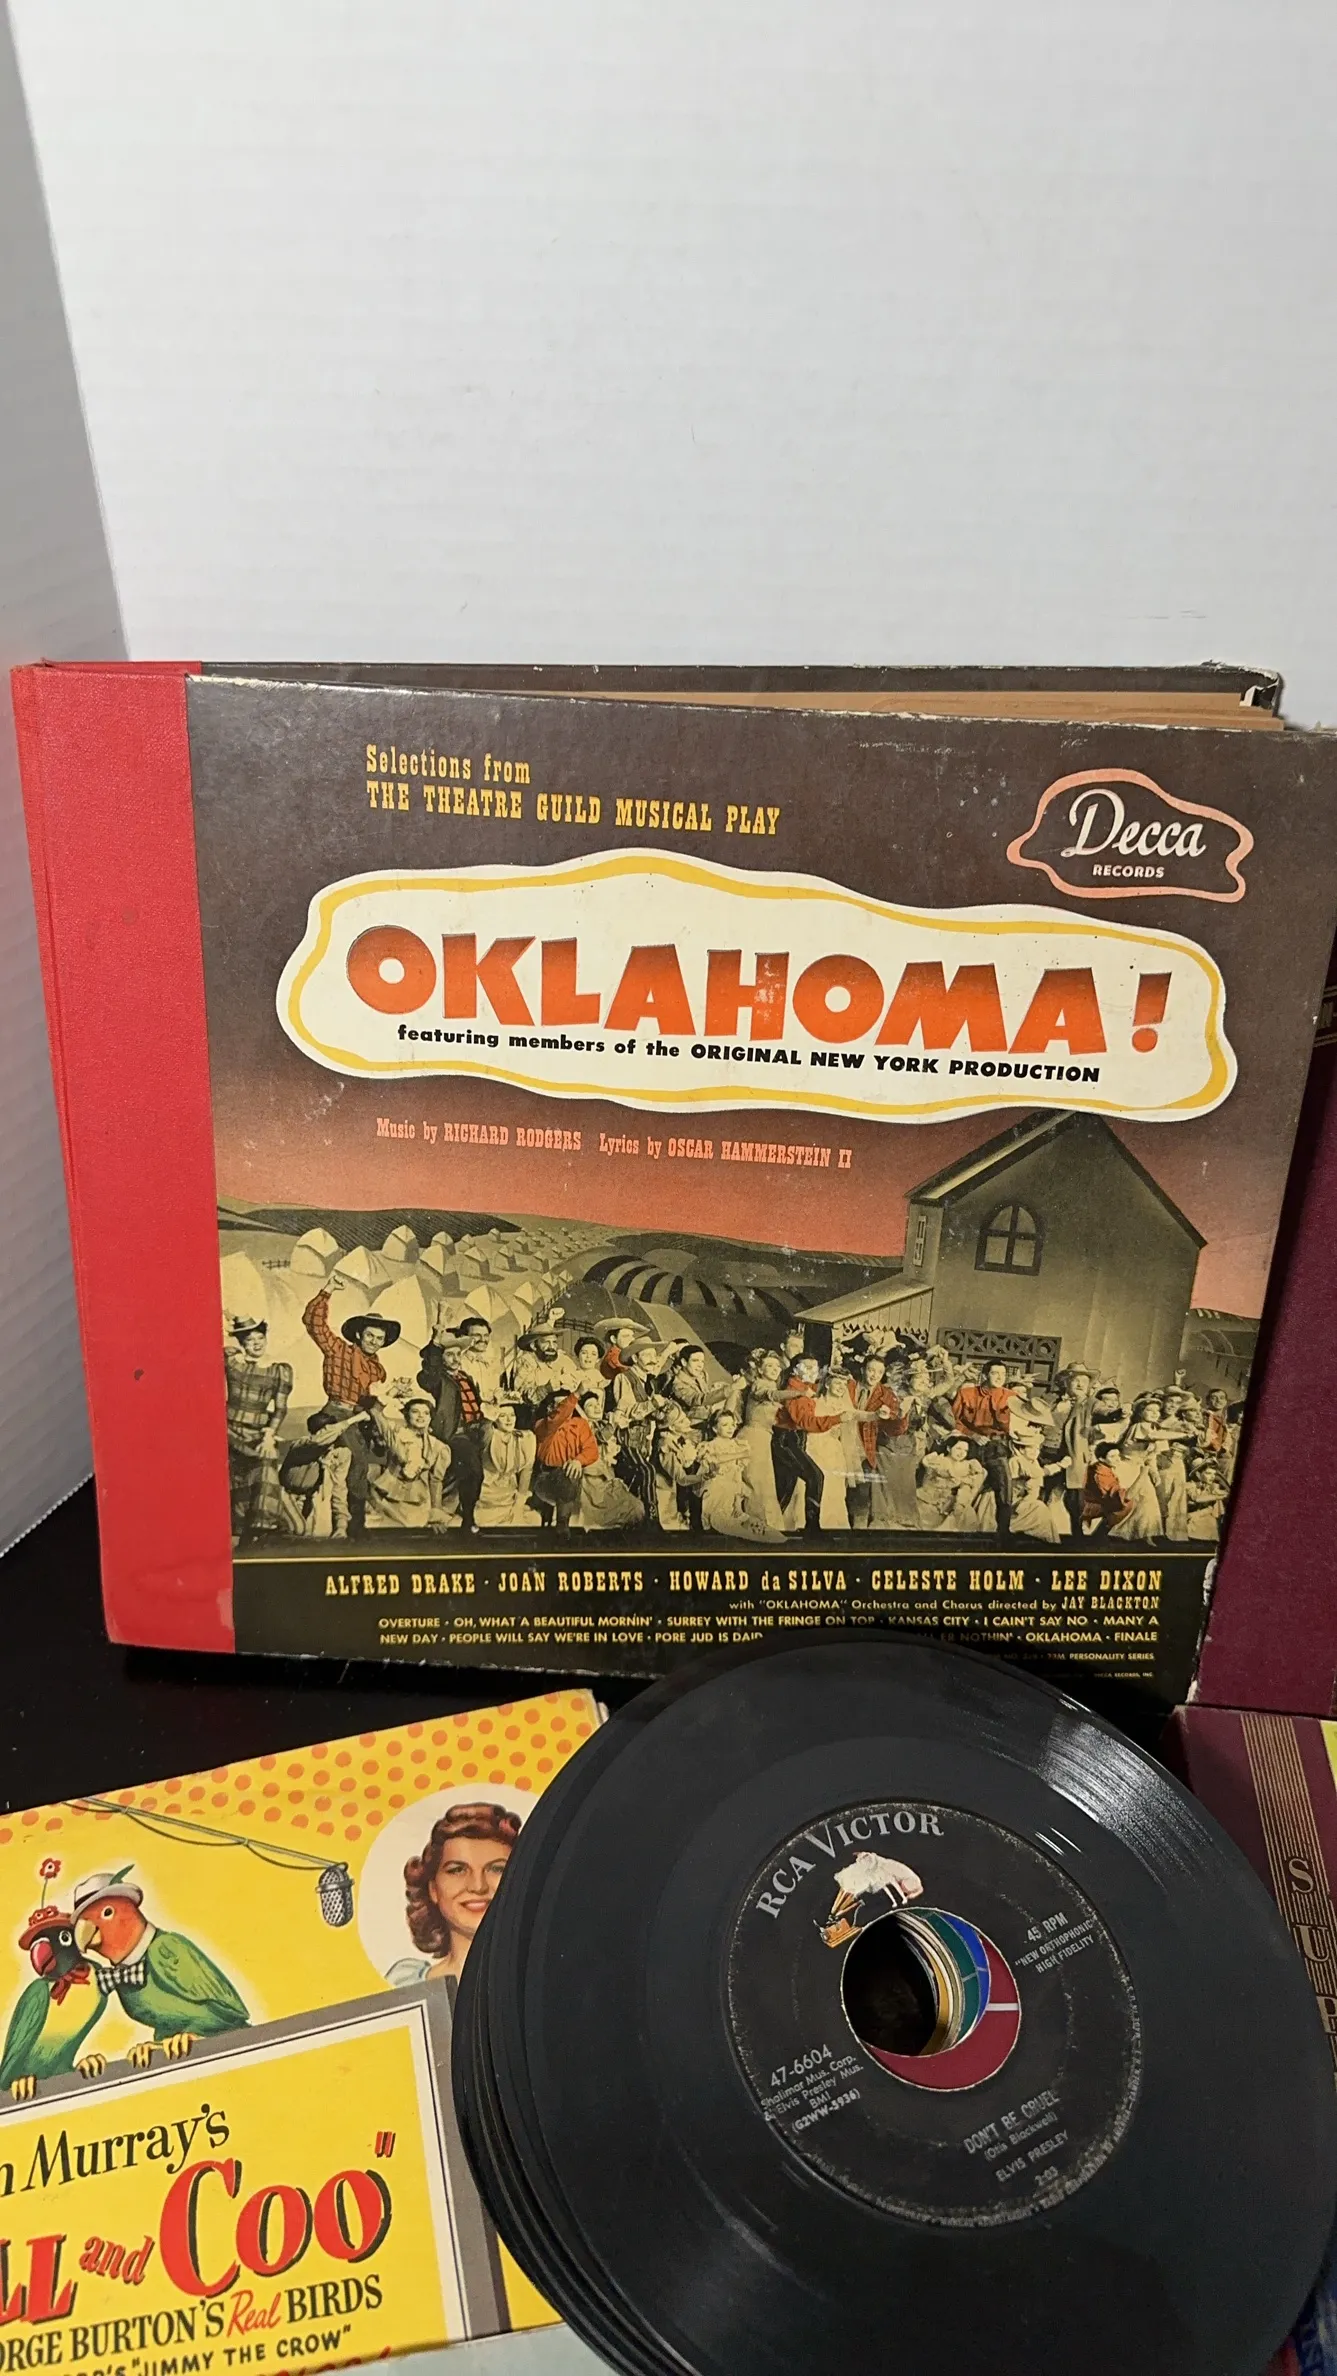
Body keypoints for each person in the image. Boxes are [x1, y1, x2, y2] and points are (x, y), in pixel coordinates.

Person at [389, 1803, 521, 1986]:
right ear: (433, 1889)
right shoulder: (403, 1981)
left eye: (497, 1869)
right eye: (457, 1870)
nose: (478, 1886)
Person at [224, 1318, 293, 1543]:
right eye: (250, 1340)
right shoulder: (232, 1362)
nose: (256, 1344)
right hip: (227, 1431)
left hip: (258, 1435)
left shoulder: (278, 1370)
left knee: (265, 1464)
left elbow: (280, 1409)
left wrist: (269, 1436)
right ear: (242, 1343)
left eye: (260, 1338)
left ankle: (261, 1526)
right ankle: (236, 1527)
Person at [417, 1338, 487, 1531]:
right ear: (440, 1359)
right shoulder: (438, 1379)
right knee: (474, 1471)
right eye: (449, 1355)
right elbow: (428, 1374)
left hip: (475, 1432)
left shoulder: (466, 1377)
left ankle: (467, 1511)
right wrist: (435, 1343)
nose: (456, 1359)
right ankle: (468, 1517)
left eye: (458, 1354)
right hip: (455, 1434)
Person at [772, 1355, 842, 1535]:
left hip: (794, 1439)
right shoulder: (794, 1391)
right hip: (786, 1440)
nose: (813, 1371)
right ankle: (811, 1528)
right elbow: (806, 1422)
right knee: (814, 1477)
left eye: (815, 1367)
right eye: (808, 1367)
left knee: (786, 1486)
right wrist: (837, 1419)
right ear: (796, 1369)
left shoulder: (805, 1388)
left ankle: (777, 1526)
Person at [952, 1360, 1020, 1538]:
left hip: (997, 1447)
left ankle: (1003, 1532)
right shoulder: (966, 1393)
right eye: (995, 1373)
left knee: (1004, 1487)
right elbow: (954, 1420)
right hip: (971, 1445)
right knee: (963, 1485)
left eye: (1003, 1374)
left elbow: (1022, 1422)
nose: (999, 1377)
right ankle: (955, 1529)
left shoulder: (1012, 1397)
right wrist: (972, 1435)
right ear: (984, 1375)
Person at [365, 1396, 454, 1530]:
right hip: (387, 1499)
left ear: (430, 1418)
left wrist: (436, 1514)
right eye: (415, 1412)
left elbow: (436, 1482)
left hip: (419, 1502)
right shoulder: (396, 1436)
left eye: (426, 1413)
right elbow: (376, 1413)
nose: (421, 1416)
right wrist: (392, 1392)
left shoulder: (438, 1447)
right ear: (407, 1415)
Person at [847, 1354, 915, 1529]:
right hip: (839, 1444)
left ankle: (858, 1533)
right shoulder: (849, 1386)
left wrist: (901, 1415)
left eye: (879, 1372)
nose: (874, 1375)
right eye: (871, 1370)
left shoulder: (886, 1395)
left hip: (863, 1449)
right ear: (863, 1369)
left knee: (861, 1494)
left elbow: (894, 1430)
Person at [694, 1409, 783, 1541]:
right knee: (719, 1522)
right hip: (716, 1491)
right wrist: (740, 1454)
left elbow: (737, 1476)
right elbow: (715, 1461)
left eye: (732, 1424)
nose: (730, 1428)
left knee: (741, 1522)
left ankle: (762, 1536)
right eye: (725, 1425)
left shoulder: (737, 1445)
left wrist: (737, 1502)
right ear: (714, 1428)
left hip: (731, 1491)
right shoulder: (709, 1447)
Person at [302, 1288, 400, 1405]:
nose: (374, 1342)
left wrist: (397, 1390)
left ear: (383, 1342)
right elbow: (314, 1323)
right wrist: (329, 1289)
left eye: (379, 1338)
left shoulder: (378, 1370)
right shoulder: (339, 1350)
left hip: (362, 1414)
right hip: (336, 1412)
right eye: (369, 1335)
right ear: (358, 1335)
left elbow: (376, 1401)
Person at [731, 1347, 790, 1533]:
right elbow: (769, 1395)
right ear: (760, 1369)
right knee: (756, 1485)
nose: (774, 1369)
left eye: (777, 1366)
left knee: (764, 1486)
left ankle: (764, 1527)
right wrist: (798, 1393)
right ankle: (756, 1528)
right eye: (769, 1366)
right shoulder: (759, 1385)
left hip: (763, 1440)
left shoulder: (772, 1386)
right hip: (752, 1438)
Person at [531, 1387, 600, 1529]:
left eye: (568, 1403)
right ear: (550, 1408)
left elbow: (592, 1450)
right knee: (569, 1477)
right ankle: (562, 1529)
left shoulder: (580, 1424)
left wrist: (579, 1460)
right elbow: (557, 1417)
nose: (567, 1408)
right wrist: (576, 1394)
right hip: (547, 1478)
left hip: (577, 1478)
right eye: (561, 1404)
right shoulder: (543, 1425)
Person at [574, 1392, 644, 1529]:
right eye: (590, 1406)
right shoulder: (583, 1427)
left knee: (636, 1507)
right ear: (583, 1411)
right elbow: (598, 1438)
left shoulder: (601, 1424)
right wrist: (612, 1425)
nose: (597, 1407)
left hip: (607, 1476)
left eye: (597, 1404)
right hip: (592, 1480)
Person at [1048, 1363, 1097, 1541]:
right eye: (1076, 1380)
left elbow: (1104, 1411)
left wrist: (1120, 1413)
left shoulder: (1089, 1404)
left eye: (1084, 1381)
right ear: (1066, 1382)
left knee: (1075, 1498)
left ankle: (1077, 1536)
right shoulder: (1051, 1400)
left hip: (1074, 1456)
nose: (1080, 1384)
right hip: (1048, 1453)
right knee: (1044, 1493)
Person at [474, 1404, 538, 1528]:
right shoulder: (488, 1435)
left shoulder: (525, 1438)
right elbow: (484, 1431)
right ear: (495, 1419)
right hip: (486, 1496)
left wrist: (519, 1505)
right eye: (503, 1416)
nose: (509, 1420)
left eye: (512, 1415)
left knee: (532, 1520)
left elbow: (527, 1471)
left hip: (509, 1496)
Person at [505, 1325, 580, 1428]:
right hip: (536, 1418)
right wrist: (546, 1388)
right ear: (533, 1346)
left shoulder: (563, 1359)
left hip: (564, 1414)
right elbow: (522, 1396)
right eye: (546, 1342)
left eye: (554, 1342)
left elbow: (577, 1379)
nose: (552, 1347)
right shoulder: (526, 1362)